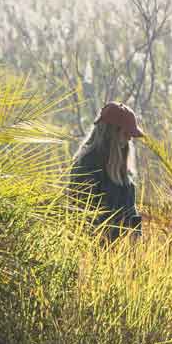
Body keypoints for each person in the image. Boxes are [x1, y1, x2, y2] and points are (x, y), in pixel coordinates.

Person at [71, 101, 145, 242]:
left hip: (122, 253)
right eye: (126, 133)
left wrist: (137, 236)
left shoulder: (123, 167)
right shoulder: (87, 165)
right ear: (111, 132)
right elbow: (82, 216)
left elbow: (131, 210)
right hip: (93, 250)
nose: (129, 138)